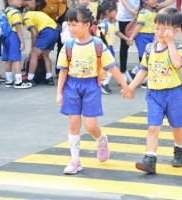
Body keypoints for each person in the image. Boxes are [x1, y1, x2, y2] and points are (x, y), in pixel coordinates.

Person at [56, 5, 134, 175]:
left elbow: (112, 67)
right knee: (74, 122)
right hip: (72, 86)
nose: (71, 28)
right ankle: (75, 161)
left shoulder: (97, 45)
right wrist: (59, 92)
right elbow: (63, 70)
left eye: (74, 24)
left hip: (91, 85)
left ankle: (101, 139)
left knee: (91, 126)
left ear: (87, 25)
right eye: (69, 25)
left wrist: (126, 86)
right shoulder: (68, 45)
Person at [124, 7, 182, 174]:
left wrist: (171, 42)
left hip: (173, 93)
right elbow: (143, 70)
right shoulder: (150, 48)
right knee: (153, 127)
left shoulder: (177, 48)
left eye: (165, 29)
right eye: (157, 28)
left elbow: (177, 63)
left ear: (176, 31)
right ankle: (150, 158)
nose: (160, 32)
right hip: (154, 95)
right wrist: (131, 87)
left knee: (177, 126)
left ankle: (179, 149)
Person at [96, 0, 131, 94]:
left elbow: (117, 32)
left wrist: (127, 39)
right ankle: (103, 84)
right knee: (112, 68)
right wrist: (104, 50)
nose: (117, 12)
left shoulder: (112, 23)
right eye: (115, 10)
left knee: (108, 68)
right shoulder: (103, 24)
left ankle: (103, 83)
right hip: (106, 49)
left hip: (109, 48)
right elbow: (99, 38)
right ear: (108, 11)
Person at [23, 11, 59, 85]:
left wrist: (32, 48)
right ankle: (49, 78)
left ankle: (30, 79)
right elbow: (34, 33)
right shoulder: (35, 14)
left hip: (46, 32)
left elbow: (34, 33)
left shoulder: (26, 18)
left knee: (34, 55)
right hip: (55, 32)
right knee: (45, 55)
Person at [126, 0, 157, 88]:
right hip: (142, 37)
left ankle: (133, 73)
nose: (155, 1)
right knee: (145, 58)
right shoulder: (143, 12)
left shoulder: (153, 12)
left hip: (150, 37)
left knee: (147, 57)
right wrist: (131, 38)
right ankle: (144, 79)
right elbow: (138, 26)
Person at [2, 0, 32, 89]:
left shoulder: (7, 10)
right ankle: (19, 82)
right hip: (14, 37)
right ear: (10, 1)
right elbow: (18, 28)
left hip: (6, 37)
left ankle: (9, 80)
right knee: (16, 59)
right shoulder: (15, 12)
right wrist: (22, 41)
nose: (20, 1)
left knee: (8, 59)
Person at [116, 0, 140, 82]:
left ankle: (141, 72)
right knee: (124, 45)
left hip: (139, 17)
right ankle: (122, 72)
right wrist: (130, 10)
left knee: (141, 44)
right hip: (124, 17)